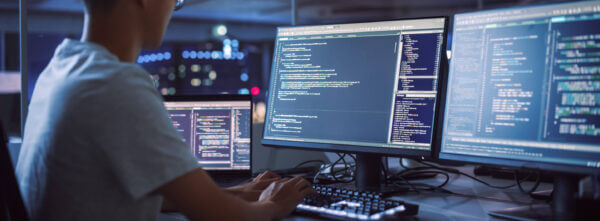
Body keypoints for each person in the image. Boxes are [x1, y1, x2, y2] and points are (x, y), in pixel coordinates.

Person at [15, 0, 313, 220]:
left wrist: (239, 191)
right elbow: (219, 217)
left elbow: (161, 196)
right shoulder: (115, 84)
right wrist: (274, 205)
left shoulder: (61, 69)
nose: (173, 8)